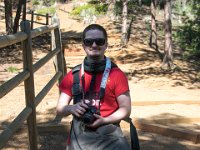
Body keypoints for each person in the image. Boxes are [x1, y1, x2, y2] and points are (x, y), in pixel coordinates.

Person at [56, 24, 132, 150]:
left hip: (109, 138)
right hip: (79, 138)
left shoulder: (117, 75)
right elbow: (60, 109)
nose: (94, 45)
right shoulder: (73, 75)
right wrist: (71, 108)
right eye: (89, 41)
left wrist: (105, 120)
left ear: (106, 45)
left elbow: (126, 109)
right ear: (83, 46)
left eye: (100, 41)